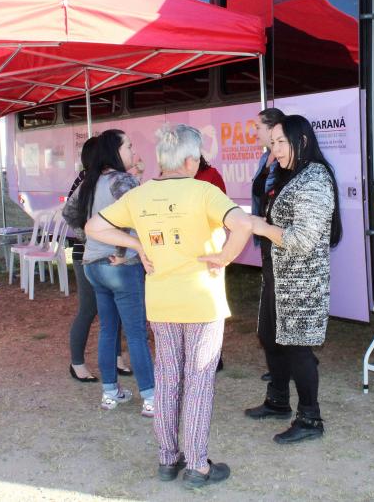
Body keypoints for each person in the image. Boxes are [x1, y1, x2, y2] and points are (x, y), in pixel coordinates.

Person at [86, 123, 253, 490]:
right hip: (201, 302)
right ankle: (197, 465)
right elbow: (242, 223)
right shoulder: (204, 192)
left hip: (160, 302)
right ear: (191, 159)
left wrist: (139, 247)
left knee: (167, 379)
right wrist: (224, 256)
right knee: (198, 382)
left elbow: (93, 227)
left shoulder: (141, 195)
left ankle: (167, 458)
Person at [244, 114, 342, 444]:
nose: (275, 150)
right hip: (278, 276)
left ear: (301, 141)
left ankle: (310, 418)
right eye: (272, 144)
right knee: (270, 336)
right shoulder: (289, 174)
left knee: (298, 348)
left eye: (280, 143)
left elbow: (303, 238)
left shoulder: (314, 179)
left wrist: (261, 227)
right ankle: (277, 400)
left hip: (301, 282)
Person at [70, 129, 155, 416]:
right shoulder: (122, 180)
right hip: (120, 267)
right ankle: (151, 397)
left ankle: (110, 393)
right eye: (129, 146)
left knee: (108, 329)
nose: (133, 151)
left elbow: (70, 214)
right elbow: (140, 216)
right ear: (115, 152)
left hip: (92, 266)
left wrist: (91, 241)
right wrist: (123, 251)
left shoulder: (90, 182)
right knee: (135, 333)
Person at [63, 137, 133, 383]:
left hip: (105, 253)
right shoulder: (87, 180)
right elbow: (68, 213)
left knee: (112, 310)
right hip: (88, 254)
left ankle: (116, 359)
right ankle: (77, 363)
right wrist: (88, 235)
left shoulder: (103, 180)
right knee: (89, 309)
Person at [252, 108, 285, 382]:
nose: (255, 132)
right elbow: (258, 190)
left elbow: (271, 193)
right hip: (266, 235)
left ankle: (294, 360)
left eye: (258, 127)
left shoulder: (287, 159)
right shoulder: (266, 157)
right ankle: (279, 364)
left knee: (281, 302)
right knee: (270, 301)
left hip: (278, 236)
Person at [194, 156, 227, 372]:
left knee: (210, 304)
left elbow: (223, 209)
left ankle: (214, 355)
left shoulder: (211, 175)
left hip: (207, 247)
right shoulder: (170, 178)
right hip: (183, 253)